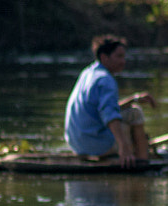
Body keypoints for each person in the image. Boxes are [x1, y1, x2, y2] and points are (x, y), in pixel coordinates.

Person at [64, 35, 156, 168]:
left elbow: (103, 109)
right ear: (104, 57)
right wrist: (124, 147)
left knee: (131, 109)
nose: (123, 61)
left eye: (124, 57)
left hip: (77, 144)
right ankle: (142, 161)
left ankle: (137, 155)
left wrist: (134, 99)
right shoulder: (106, 80)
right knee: (136, 113)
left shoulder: (88, 73)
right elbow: (110, 116)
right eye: (119, 56)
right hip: (95, 145)